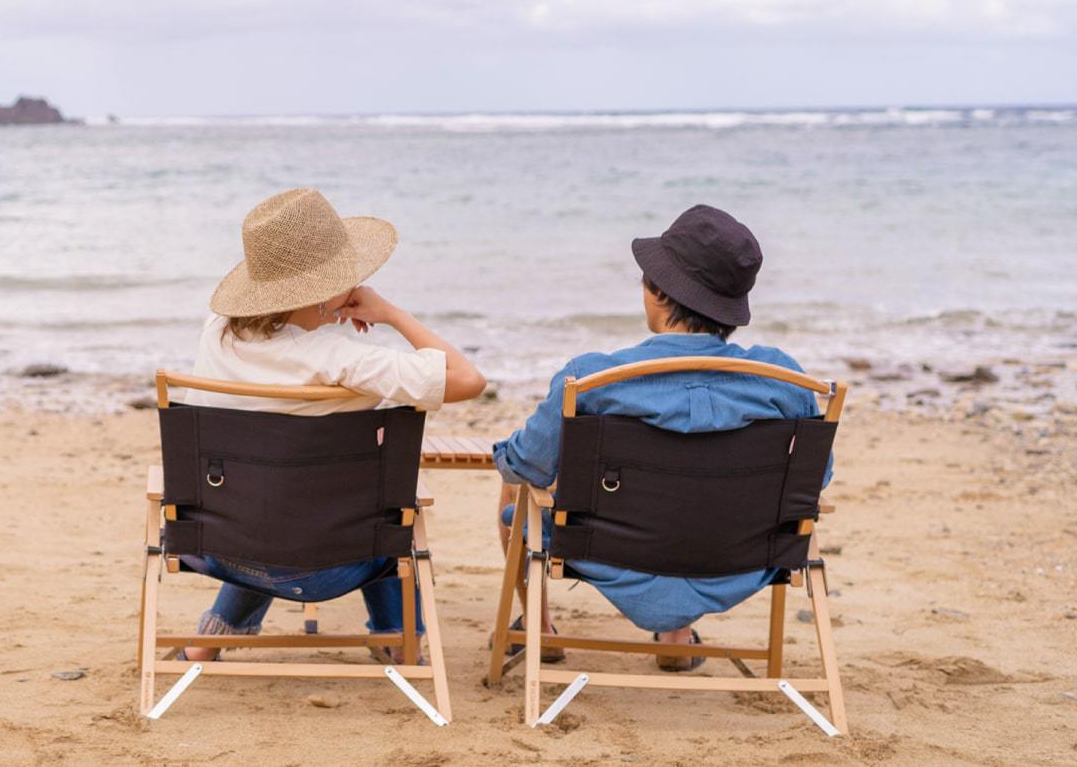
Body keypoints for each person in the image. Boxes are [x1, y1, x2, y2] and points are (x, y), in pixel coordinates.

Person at [491, 204, 829, 671]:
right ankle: (675, 637)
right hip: (741, 559)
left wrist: (505, 456)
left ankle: (541, 628)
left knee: (518, 490)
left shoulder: (592, 379)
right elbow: (815, 479)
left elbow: (527, 464)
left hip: (608, 554)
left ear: (657, 291)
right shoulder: (785, 380)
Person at [174, 187, 488, 662]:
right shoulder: (341, 361)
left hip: (218, 543)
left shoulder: (215, 331)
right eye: (349, 275)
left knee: (264, 498)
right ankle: (399, 643)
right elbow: (468, 379)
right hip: (322, 566)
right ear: (326, 291)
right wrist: (392, 314)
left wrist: (324, 316)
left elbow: (284, 346)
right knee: (390, 512)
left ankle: (207, 641)